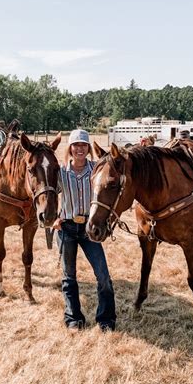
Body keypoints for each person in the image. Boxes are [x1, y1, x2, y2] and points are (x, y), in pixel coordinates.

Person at [53, 129, 116, 332]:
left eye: (83, 145)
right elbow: (50, 196)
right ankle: (73, 318)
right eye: (76, 145)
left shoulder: (96, 170)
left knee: (103, 276)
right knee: (69, 276)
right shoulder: (61, 172)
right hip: (67, 228)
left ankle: (105, 320)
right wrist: (55, 217)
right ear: (70, 148)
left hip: (90, 229)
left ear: (88, 149)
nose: (80, 148)